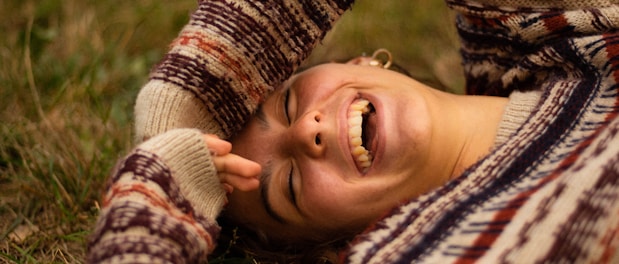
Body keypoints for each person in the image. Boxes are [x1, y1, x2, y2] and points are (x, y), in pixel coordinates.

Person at [87, 0, 619, 263]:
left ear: (367, 63)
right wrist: (164, 180)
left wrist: (183, 102)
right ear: (337, 246)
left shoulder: (537, 28)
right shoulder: (448, 250)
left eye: (290, 102)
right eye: (289, 186)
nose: (306, 135)